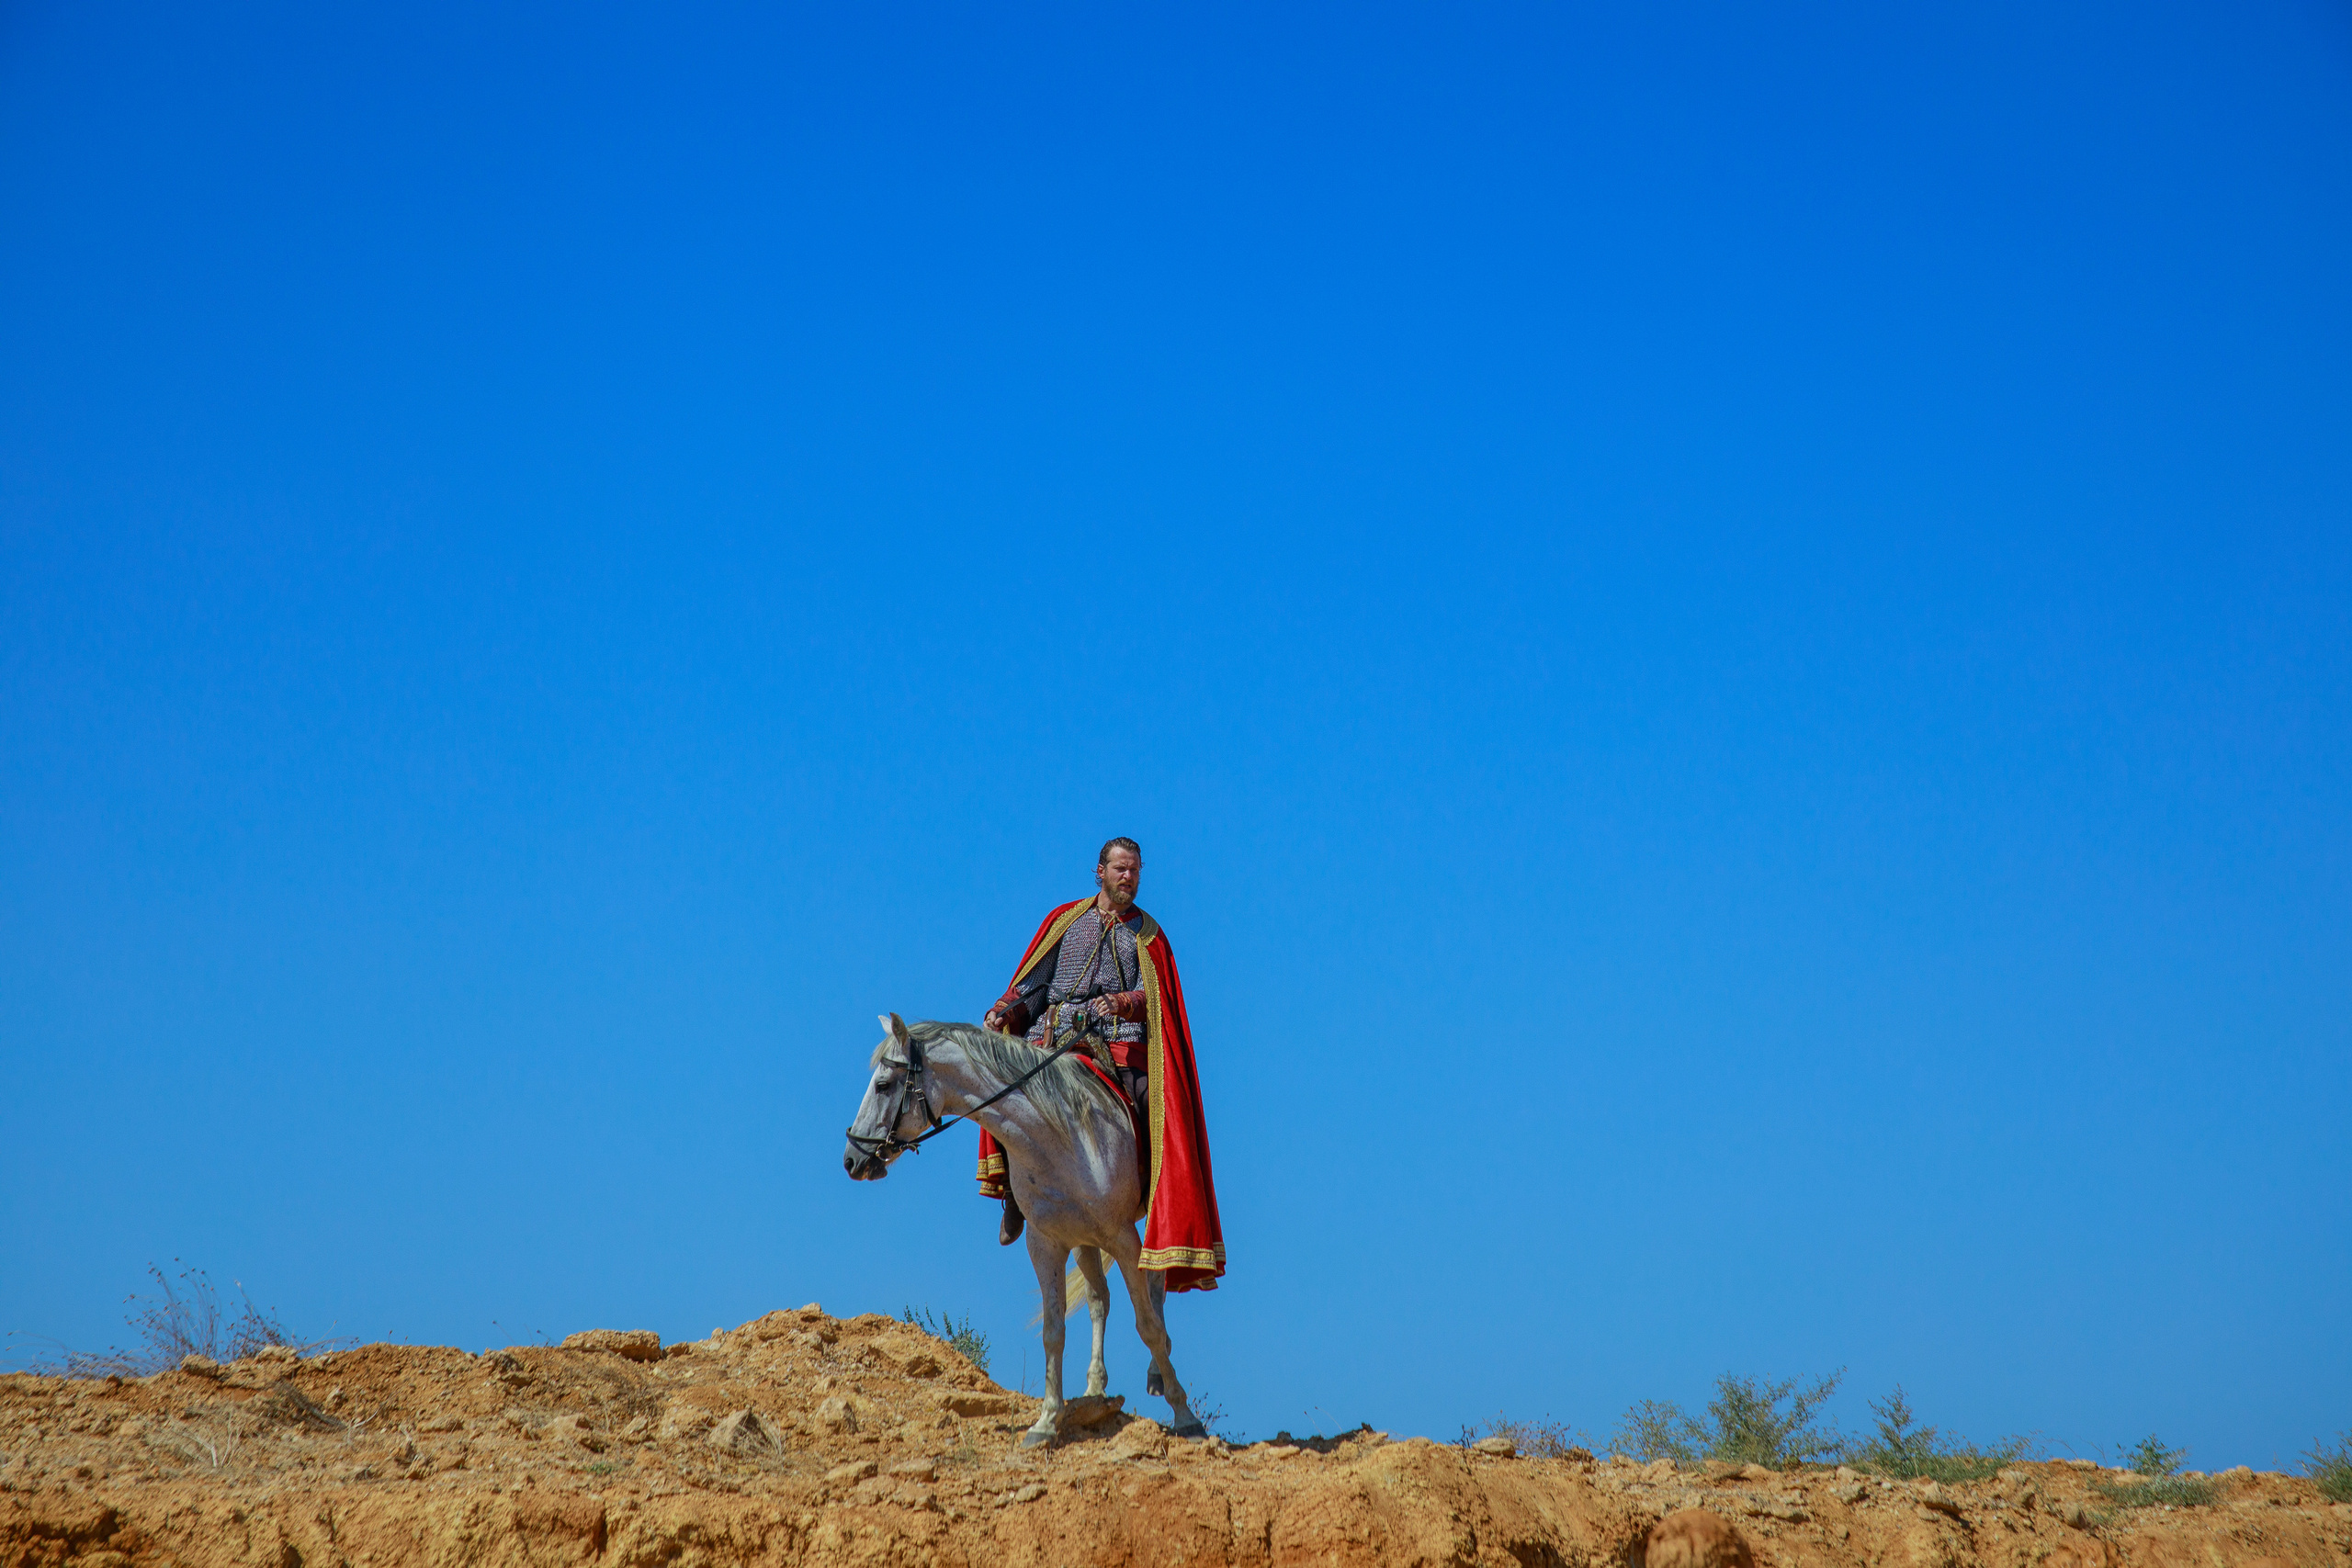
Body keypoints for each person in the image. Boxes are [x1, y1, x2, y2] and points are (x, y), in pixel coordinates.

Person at [977, 838, 1226, 1291]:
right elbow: (1033, 983)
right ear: (1099, 871)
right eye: (1119, 870)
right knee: (1002, 1094)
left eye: (1134, 871)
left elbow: (1158, 998)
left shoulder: (1148, 935)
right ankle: (1014, 1192)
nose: (1127, 878)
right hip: (1052, 1041)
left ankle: (1154, 1204)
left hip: (1117, 1046)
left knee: (1160, 1109)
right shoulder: (1065, 920)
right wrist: (1004, 1010)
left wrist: (1123, 1000)